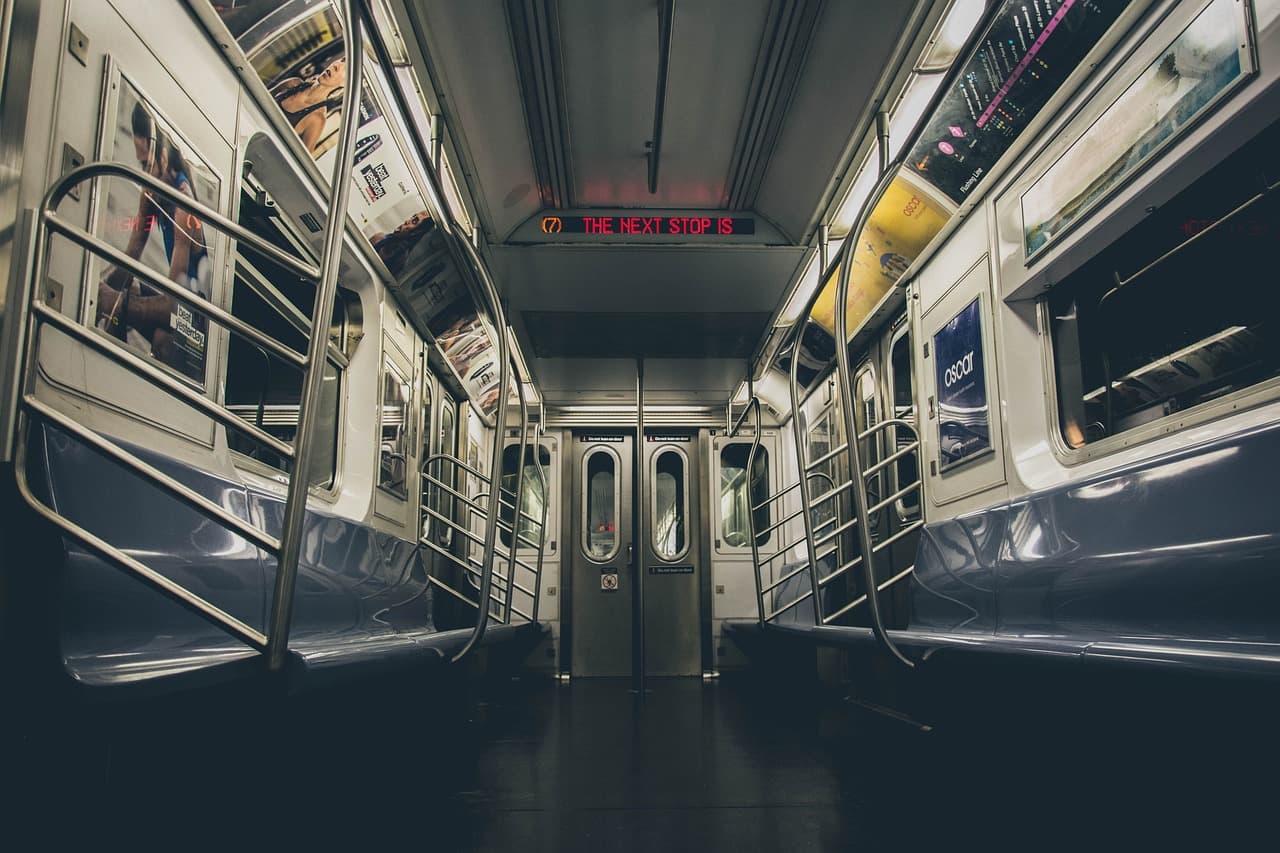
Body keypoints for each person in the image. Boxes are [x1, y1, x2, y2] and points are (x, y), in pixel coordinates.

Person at [97, 101, 210, 373]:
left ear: (163, 156)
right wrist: (93, 288)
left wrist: (114, 302)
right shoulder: (153, 191)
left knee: (163, 339)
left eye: (146, 164)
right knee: (128, 286)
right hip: (179, 309)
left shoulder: (184, 206)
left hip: (197, 327)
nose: (143, 174)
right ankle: (106, 365)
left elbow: (173, 307)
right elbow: (132, 254)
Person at [271, 55, 346, 155]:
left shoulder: (317, 119)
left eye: (345, 68)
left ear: (345, 83)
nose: (337, 65)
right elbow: (258, 95)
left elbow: (301, 158)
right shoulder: (293, 83)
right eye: (342, 60)